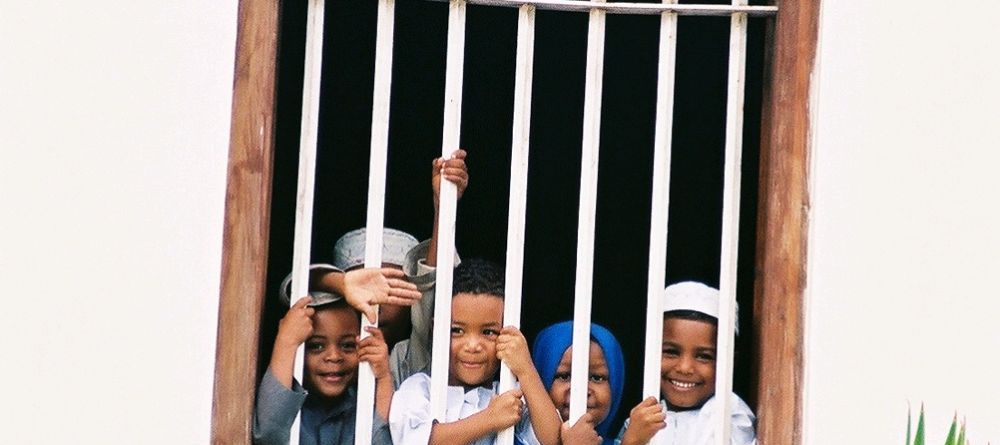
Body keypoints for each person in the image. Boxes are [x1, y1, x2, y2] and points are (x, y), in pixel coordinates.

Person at [278, 149, 469, 386]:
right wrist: (340, 284)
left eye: (390, 285)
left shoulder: (410, 356)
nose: (376, 299)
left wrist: (444, 206)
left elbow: (432, 290)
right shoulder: (326, 354)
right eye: (364, 284)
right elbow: (293, 287)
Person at [389, 259, 561, 445]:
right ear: (436, 331)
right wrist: (488, 419)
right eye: (457, 330)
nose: (472, 346)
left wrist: (525, 369)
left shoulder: (510, 395)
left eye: (488, 332)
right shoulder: (419, 389)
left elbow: (552, 440)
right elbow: (416, 441)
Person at [614, 281, 756, 445]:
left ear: (730, 362)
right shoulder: (643, 418)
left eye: (704, 356)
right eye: (671, 352)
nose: (684, 368)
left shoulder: (730, 416)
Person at [253, 295, 394, 445]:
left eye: (348, 345)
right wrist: (286, 342)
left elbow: (381, 440)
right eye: (316, 346)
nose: (334, 357)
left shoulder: (362, 405)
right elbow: (268, 435)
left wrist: (383, 376)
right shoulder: (288, 407)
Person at [531, 321, 626, 445]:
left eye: (597, 378)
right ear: (541, 379)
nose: (581, 391)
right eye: (564, 376)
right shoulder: (509, 438)